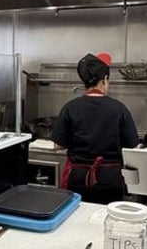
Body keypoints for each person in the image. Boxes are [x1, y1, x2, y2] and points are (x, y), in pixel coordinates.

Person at [52, 52, 139, 204]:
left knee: (77, 215)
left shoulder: (70, 107)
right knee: (107, 216)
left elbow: (58, 145)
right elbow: (132, 145)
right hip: (110, 178)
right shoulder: (119, 108)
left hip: (78, 177)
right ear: (104, 80)